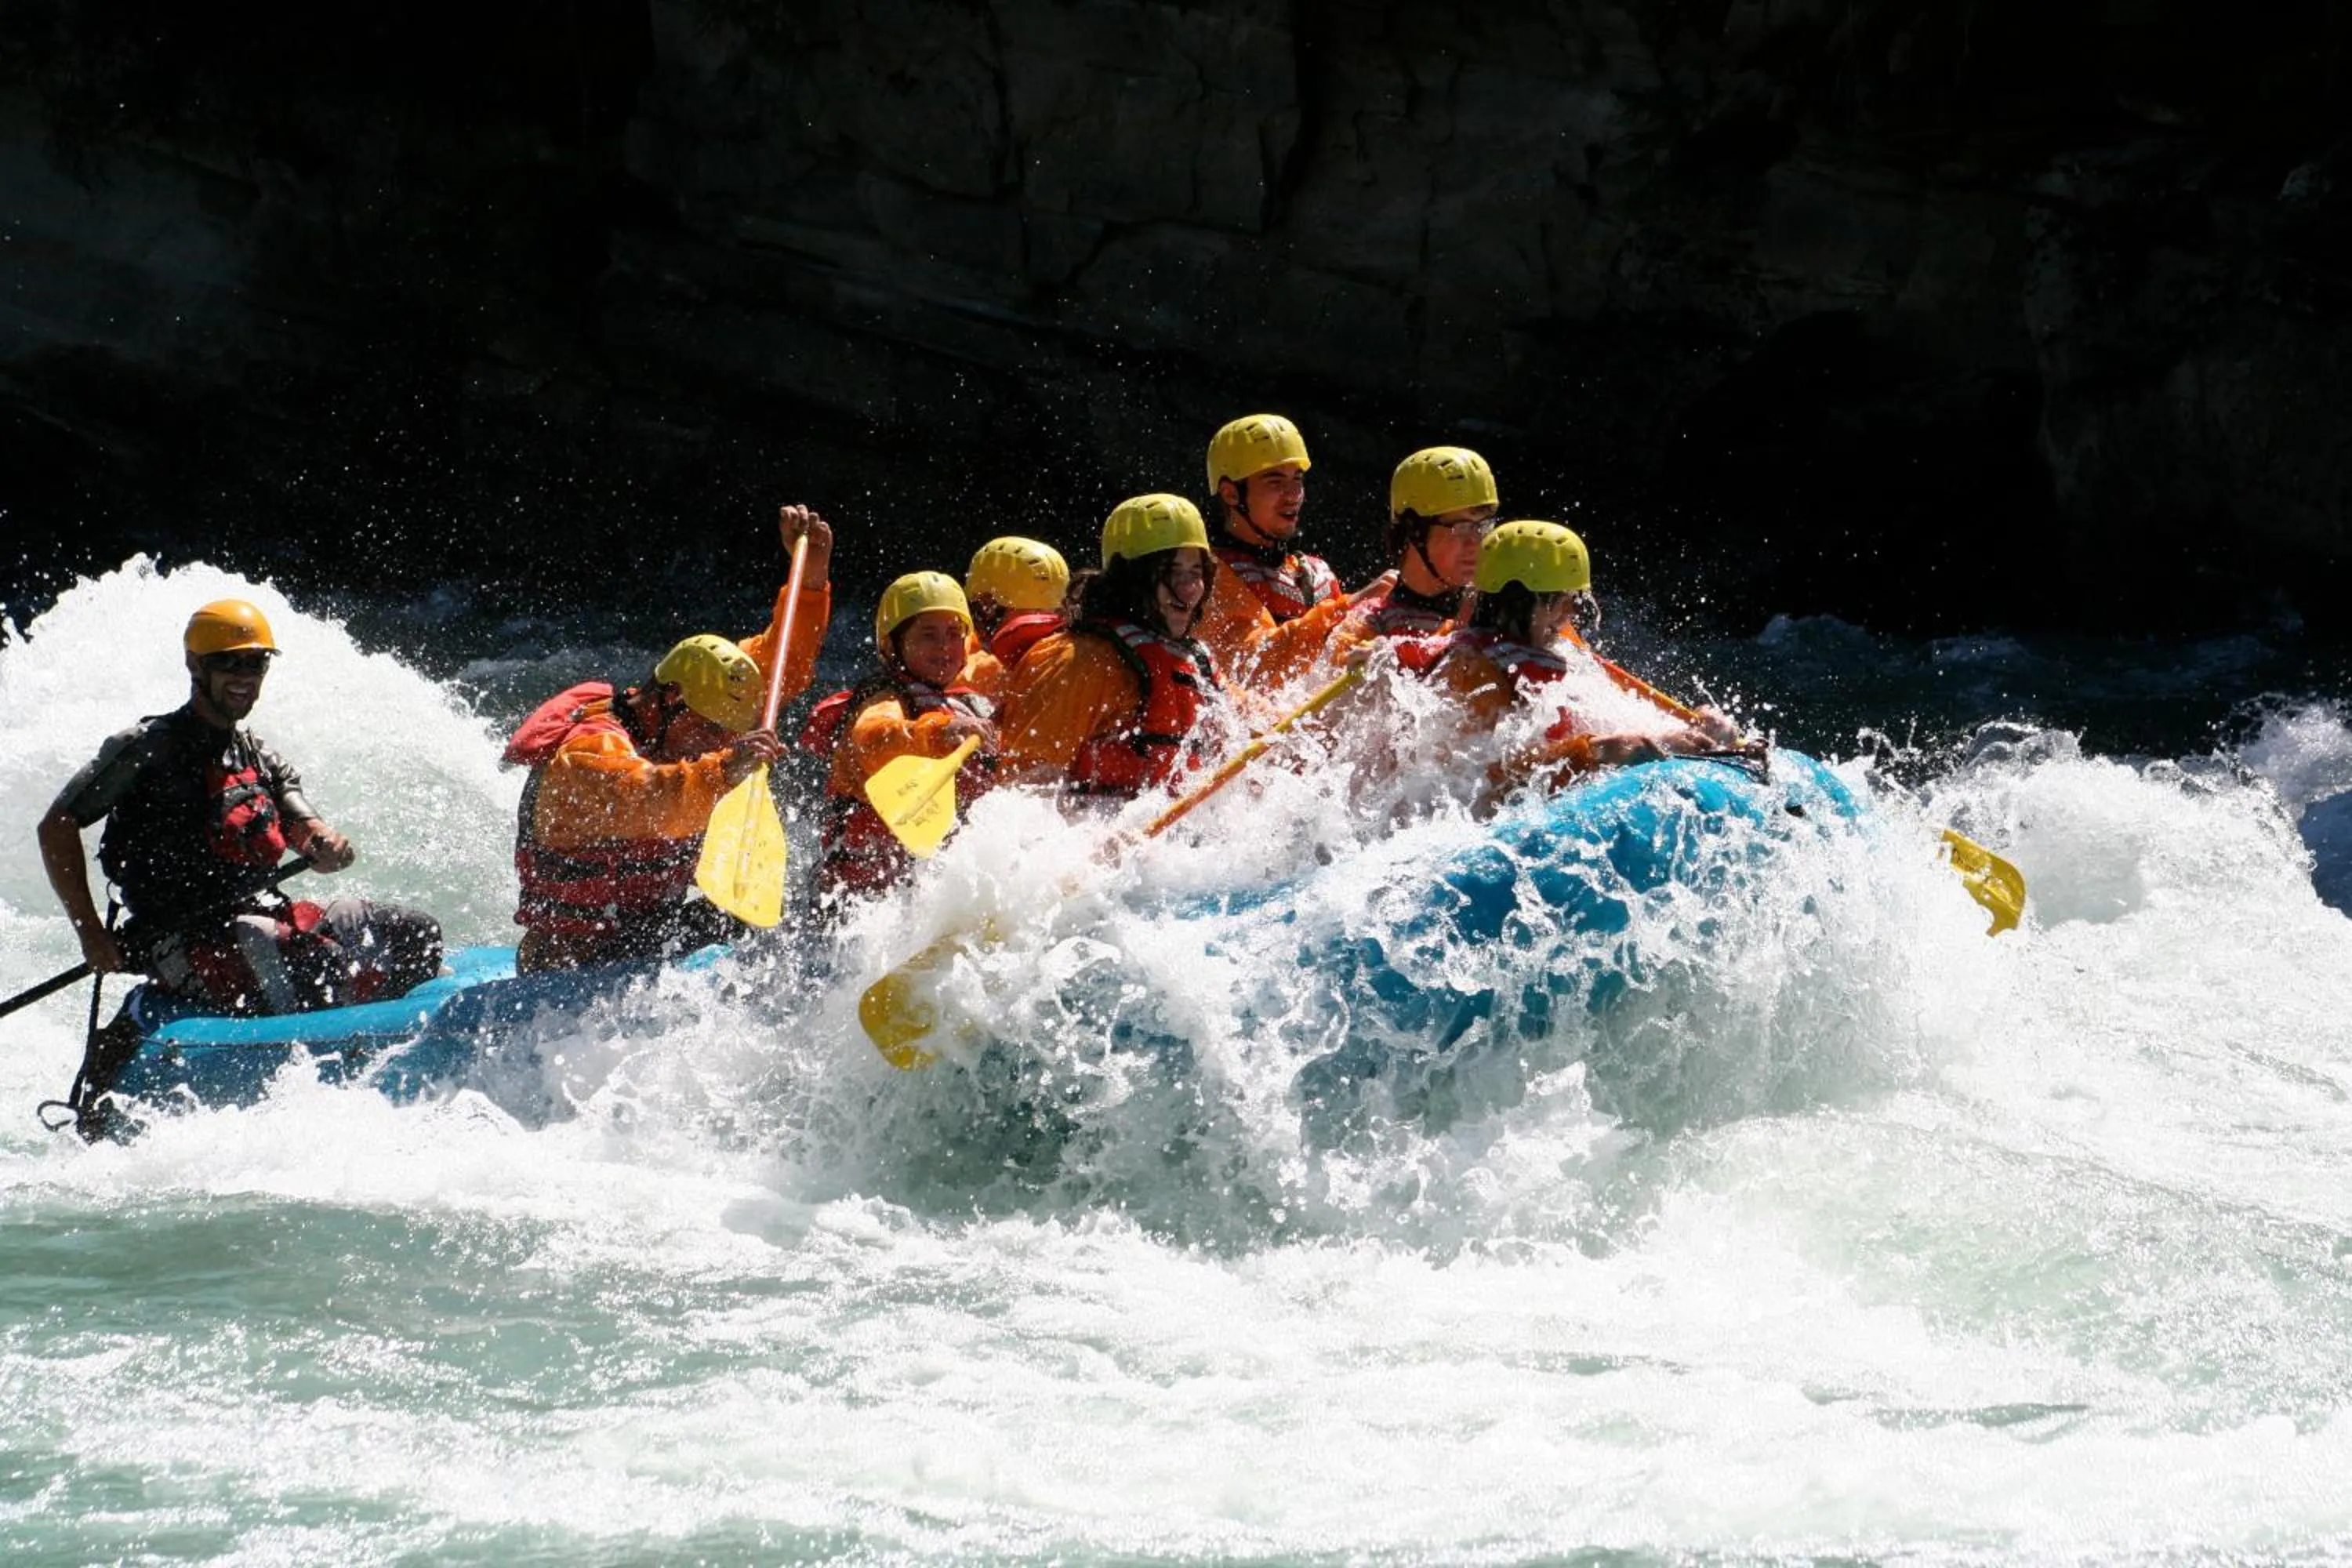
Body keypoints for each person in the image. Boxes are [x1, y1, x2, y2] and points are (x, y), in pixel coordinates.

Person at [38, 598, 445, 1016]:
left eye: (256, 664)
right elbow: (58, 825)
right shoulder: (145, 749)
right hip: (181, 938)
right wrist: (90, 934)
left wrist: (327, 848)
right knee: (311, 960)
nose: (244, 678)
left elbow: (306, 828)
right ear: (196, 665)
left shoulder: (258, 756)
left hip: (264, 915)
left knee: (414, 932)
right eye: (229, 664)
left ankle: (398, 1038)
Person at [502, 506, 834, 971]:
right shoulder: (587, 752)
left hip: (648, 931)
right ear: (669, 698)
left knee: (764, 922)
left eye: (724, 735)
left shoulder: (698, 708)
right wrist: (726, 768)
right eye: (708, 730)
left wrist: (812, 577)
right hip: (569, 959)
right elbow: (653, 801)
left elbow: (785, 665)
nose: (715, 743)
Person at [1397, 521, 1744, 801]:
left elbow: (1619, 717)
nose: (1571, 614)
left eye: (1576, 601)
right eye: (1562, 601)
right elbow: (1484, 781)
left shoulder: (1557, 646)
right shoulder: (1472, 670)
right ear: (1519, 599)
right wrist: (1600, 752)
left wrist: (1694, 731)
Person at [995, 494, 1236, 803]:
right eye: (1170, 572)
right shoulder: (1078, 661)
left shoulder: (1194, 659)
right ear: (1131, 579)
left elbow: (1250, 730)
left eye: (1195, 572)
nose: (1188, 589)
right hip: (1090, 833)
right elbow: (1022, 795)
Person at [800, 571, 997, 903]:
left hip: (926, 876)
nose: (944, 647)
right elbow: (871, 739)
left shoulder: (965, 702)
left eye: (953, 634)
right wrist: (940, 733)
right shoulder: (883, 698)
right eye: (928, 635)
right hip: (860, 893)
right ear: (894, 645)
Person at [1191, 414, 1352, 690]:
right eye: (1275, 482)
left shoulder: (1316, 573)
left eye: (1297, 480)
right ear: (1231, 494)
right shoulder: (1207, 577)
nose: (1293, 495)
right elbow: (1254, 669)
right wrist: (1347, 607)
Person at [1326, 445, 1501, 663]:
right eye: (1463, 528)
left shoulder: (1503, 612)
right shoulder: (1368, 625)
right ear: (1414, 531)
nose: (1477, 543)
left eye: (1483, 527)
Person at [959, 535, 1070, 702]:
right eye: (1036, 614)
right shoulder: (962, 667)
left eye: (1053, 615)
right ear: (987, 604)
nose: (1047, 627)